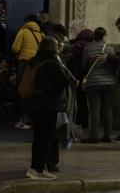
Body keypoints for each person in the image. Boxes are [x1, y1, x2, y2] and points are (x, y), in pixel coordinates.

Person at [24, 37, 76, 181]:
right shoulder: (52, 63)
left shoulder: (34, 61)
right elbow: (64, 81)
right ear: (53, 48)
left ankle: (35, 167)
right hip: (48, 105)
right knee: (45, 138)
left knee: (38, 138)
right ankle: (38, 169)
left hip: (34, 104)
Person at [81, 27, 116, 143]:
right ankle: (107, 135)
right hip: (109, 82)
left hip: (93, 82)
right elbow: (115, 65)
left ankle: (94, 136)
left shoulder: (88, 49)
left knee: (94, 110)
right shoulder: (110, 49)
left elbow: (83, 65)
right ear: (104, 35)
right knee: (107, 109)